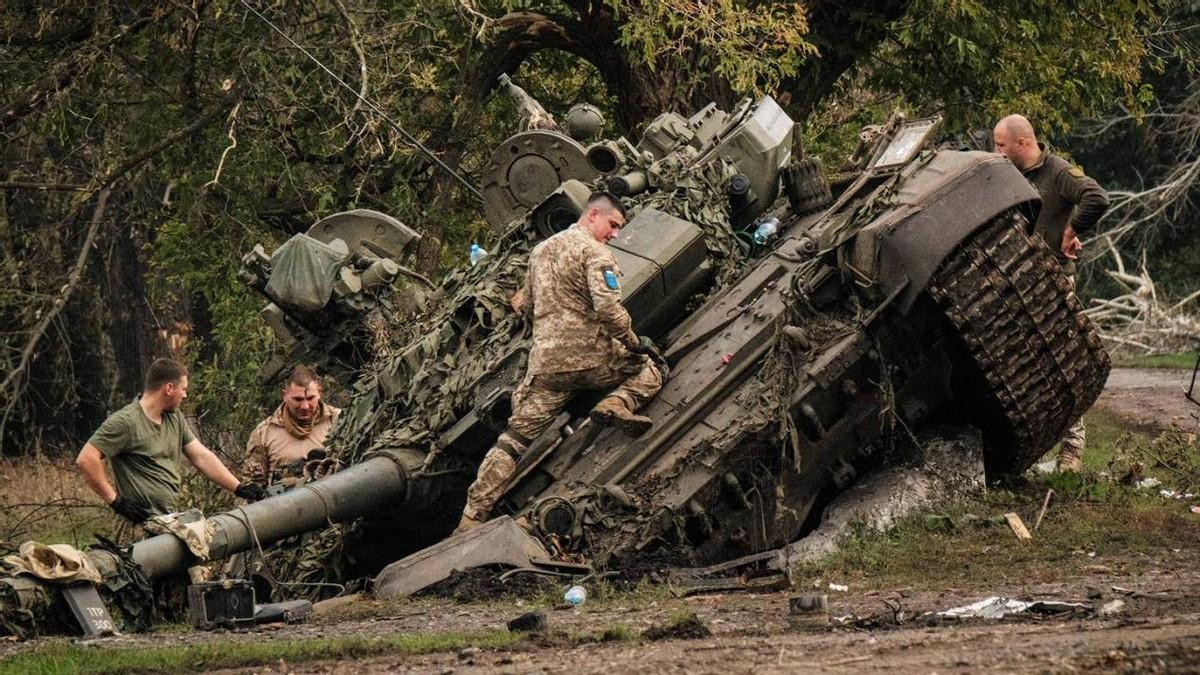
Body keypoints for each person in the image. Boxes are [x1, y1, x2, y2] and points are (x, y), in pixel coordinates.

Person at [455, 192, 665, 533]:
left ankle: (470, 518)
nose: (614, 235)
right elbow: (609, 310)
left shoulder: (540, 252)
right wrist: (634, 343)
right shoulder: (595, 253)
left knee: (512, 442)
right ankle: (616, 403)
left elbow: (525, 305)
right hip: (593, 357)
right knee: (652, 368)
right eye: (613, 225)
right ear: (593, 214)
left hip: (546, 367)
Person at [993, 114, 1111, 471]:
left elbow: (1096, 196)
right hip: (1015, 283)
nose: (995, 151)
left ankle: (1072, 451)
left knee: (1064, 363)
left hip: (1054, 281)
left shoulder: (1057, 172)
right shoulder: (1003, 174)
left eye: (1001, 145)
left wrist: (1072, 230)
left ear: (1022, 144)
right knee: (1021, 369)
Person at [76, 358, 264, 525]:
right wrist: (116, 501)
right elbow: (86, 458)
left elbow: (201, 456)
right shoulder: (126, 421)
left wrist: (238, 487)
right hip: (140, 522)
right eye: (183, 389)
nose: (185, 395)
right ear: (168, 389)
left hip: (171, 519)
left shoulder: (174, 418)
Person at [243, 365, 341, 487]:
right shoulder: (264, 433)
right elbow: (252, 486)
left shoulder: (339, 421)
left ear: (320, 393)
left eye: (310, 398)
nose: (305, 406)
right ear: (284, 395)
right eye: (298, 399)